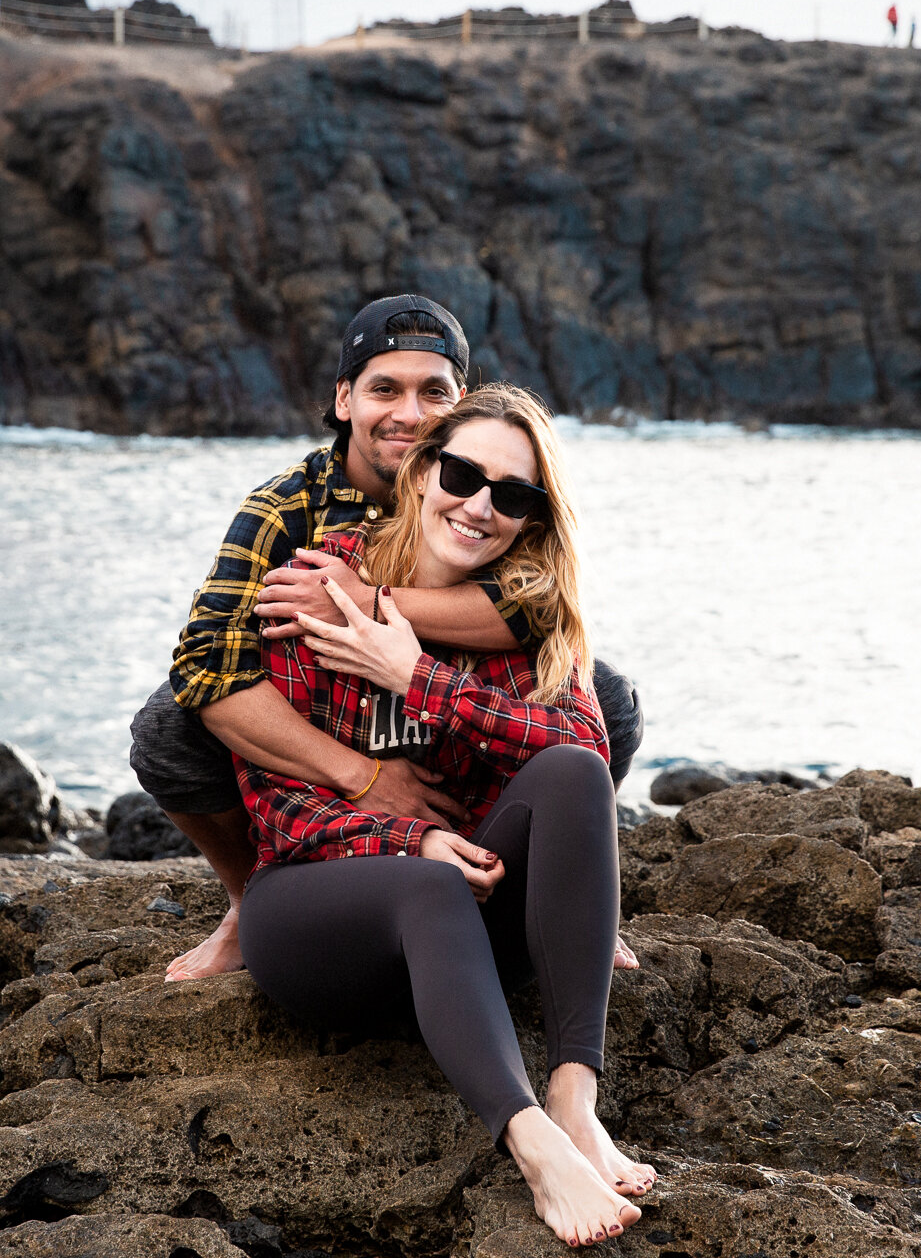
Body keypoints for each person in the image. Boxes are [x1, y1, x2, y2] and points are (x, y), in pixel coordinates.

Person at [234, 385, 653, 1249]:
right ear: (422, 470)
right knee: (428, 883)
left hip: (471, 935)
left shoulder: (532, 607)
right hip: (320, 920)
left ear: (534, 517)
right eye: (462, 474)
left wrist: (419, 679)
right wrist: (409, 833)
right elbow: (275, 801)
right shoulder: (322, 580)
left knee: (573, 770)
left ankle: (575, 1099)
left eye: (513, 494)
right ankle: (532, 1144)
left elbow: (578, 744)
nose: (479, 506)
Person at [125, 295, 643, 981]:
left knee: (604, 697)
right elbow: (206, 669)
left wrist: (367, 600)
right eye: (383, 389)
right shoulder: (287, 510)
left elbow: (535, 609)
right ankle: (251, 896)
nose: (409, 414)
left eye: (434, 392)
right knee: (167, 725)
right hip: (329, 733)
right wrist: (363, 779)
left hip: (448, 718)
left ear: (463, 407)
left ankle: (565, 890)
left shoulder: (482, 485)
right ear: (344, 399)